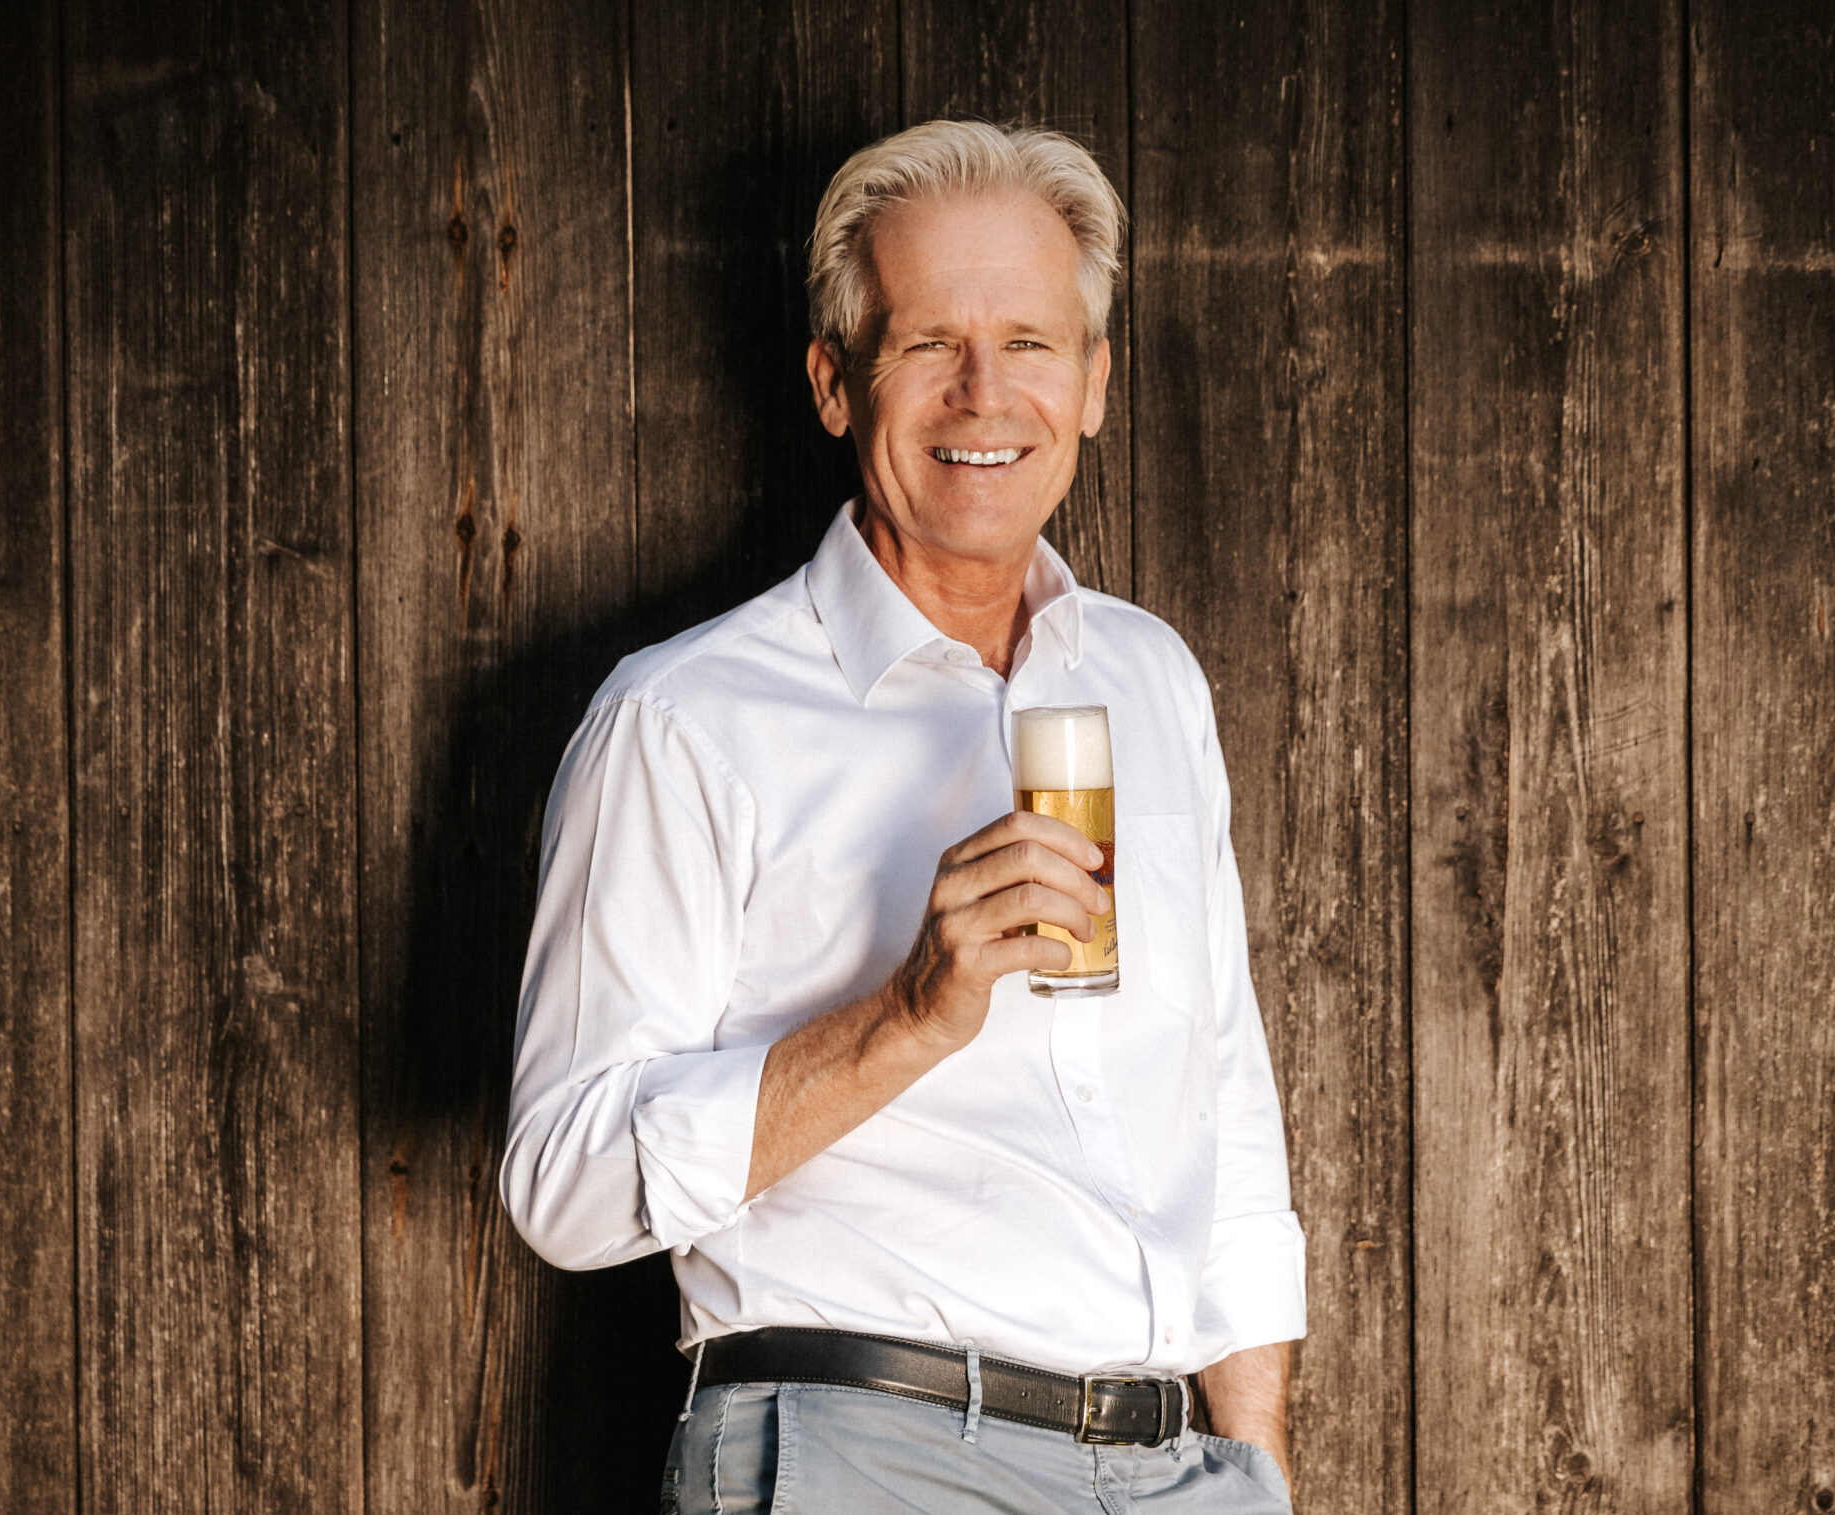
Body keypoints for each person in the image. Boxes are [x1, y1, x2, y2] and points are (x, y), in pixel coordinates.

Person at [501, 120, 1305, 1513]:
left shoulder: (1149, 678)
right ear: (833, 384)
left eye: (1031, 345)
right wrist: (905, 1019)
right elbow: (561, 1190)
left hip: (1176, 1474)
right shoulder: (687, 720)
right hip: (869, 1455)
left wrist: (1255, 1465)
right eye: (928, 343)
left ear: (1093, 382)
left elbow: (1221, 1088)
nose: (982, 395)